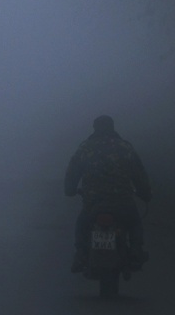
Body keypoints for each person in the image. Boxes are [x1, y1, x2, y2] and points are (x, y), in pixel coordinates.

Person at [64, 114, 151, 272]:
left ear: (94, 128)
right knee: (135, 223)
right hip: (123, 202)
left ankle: (81, 253)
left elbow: (72, 173)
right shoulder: (125, 147)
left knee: (82, 224)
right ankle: (136, 251)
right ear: (112, 127)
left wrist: (70, 190)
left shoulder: (85, 147)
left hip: (93, 203)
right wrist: (145, 193)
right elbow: (139, 174)